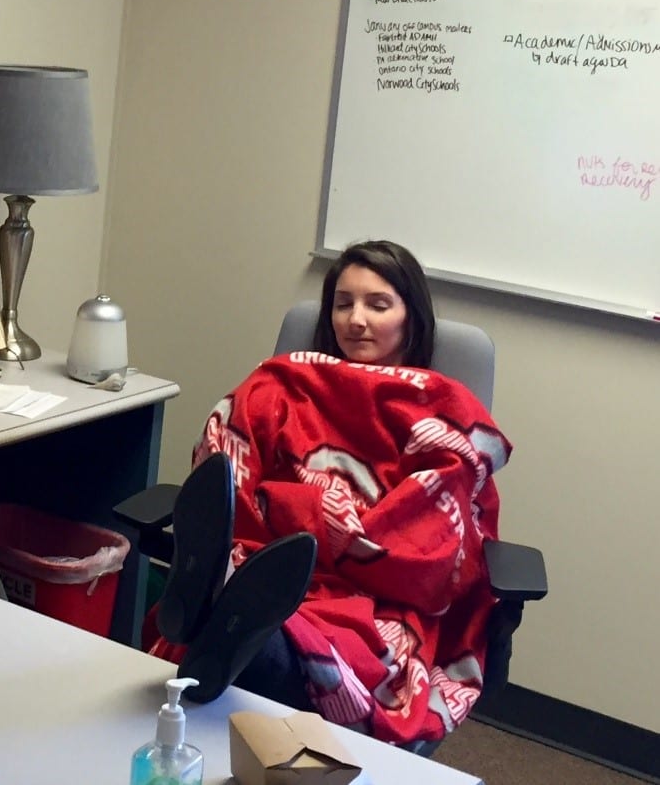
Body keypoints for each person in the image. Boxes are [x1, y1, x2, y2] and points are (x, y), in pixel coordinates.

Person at [146, 241, 511, 752]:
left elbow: (433, 530)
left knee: (277, 634)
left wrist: (303, 508)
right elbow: (228, 452)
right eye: (343, 304)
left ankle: (231, 623)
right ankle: (225, 603)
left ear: (412, 317)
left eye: (377, 305)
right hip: (270, 558)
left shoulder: (441, 404)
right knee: (249, 585)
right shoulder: (287, 380)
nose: (355, 320)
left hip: (375, 589)